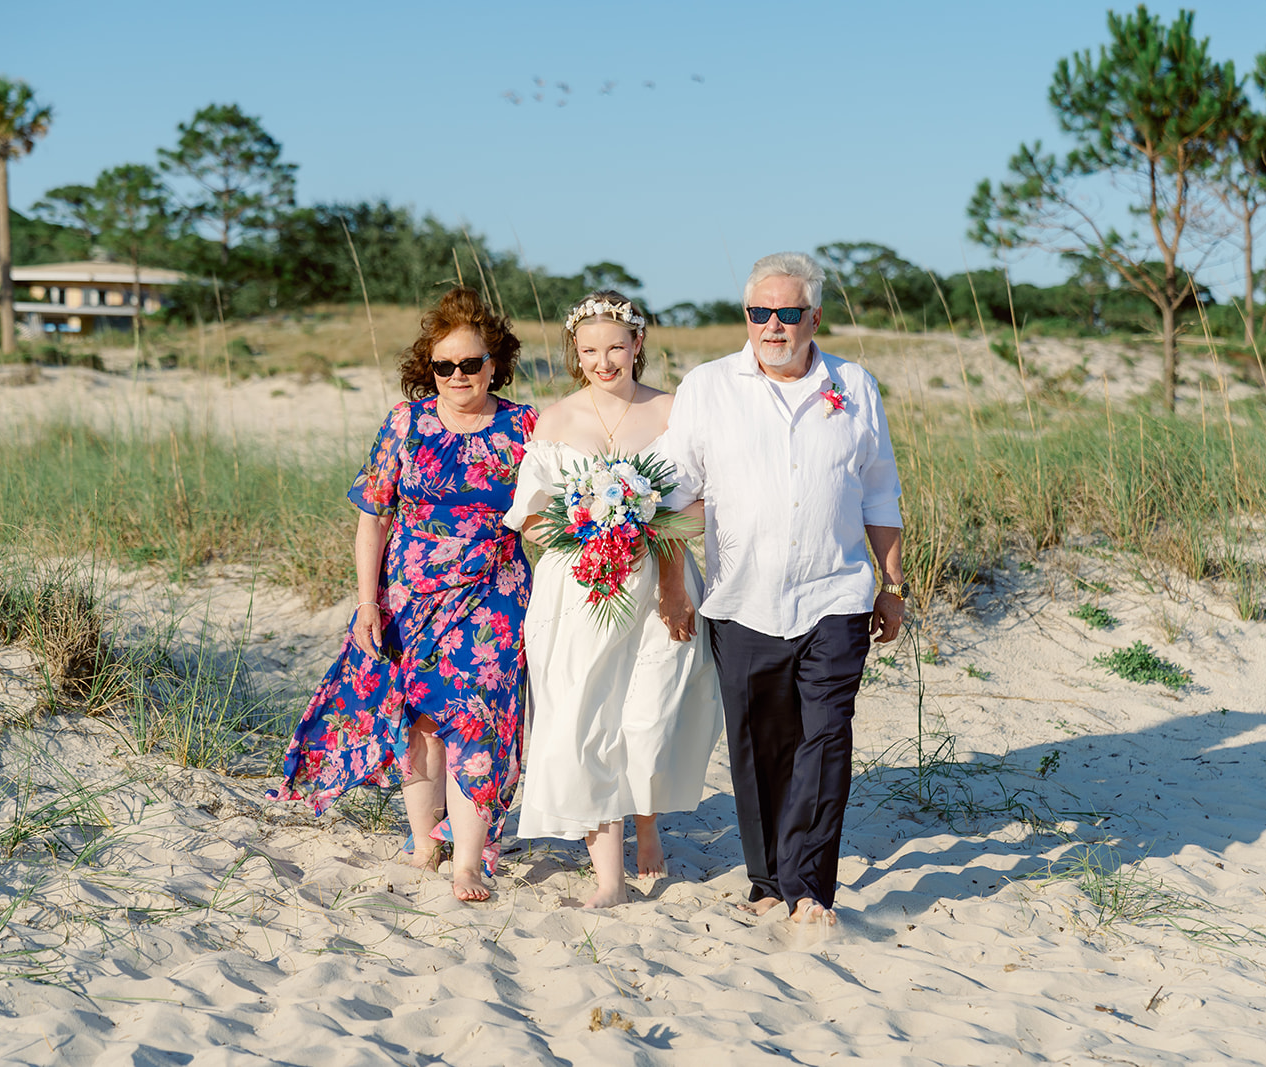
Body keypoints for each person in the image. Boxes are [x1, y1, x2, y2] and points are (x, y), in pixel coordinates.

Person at [658, 253, 906, 925]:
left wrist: (893, 584)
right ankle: (768, 879)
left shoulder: (855, 385)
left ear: (813, 317)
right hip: (742, 599)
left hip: (838, 596)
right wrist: (672, 583)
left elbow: (880, 489)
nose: (772, 325)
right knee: (760, 744)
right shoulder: (708, 386)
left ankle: (810, 892)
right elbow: (677, 490)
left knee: (826, 738)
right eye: (759, 312)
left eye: (787, 312)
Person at [274, 287, 538, 902]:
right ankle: (424, 840)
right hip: (410, 597)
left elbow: (548, 513)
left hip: (492, 595)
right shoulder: (406, 422)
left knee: (481, 720)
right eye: (444, 366)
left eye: (470, 364)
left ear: (494, 363)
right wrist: (368, 601)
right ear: (430, 368)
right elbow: (374, 515)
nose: (457, 376)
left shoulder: (524, 425)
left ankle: (468, 861)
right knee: (420, 721)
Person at [505, 290, 723, 909]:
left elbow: (701, 504)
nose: (604, 362)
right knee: (586, 719)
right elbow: (530, 518)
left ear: (638, 347)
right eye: (590, 350)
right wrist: (587, 525)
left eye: (616, 348)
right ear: (576, 352)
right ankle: (608, 878)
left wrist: (651, 538)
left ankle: (648, 826)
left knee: (650, 714)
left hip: (659, 581)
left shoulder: (674, 411)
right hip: (579, 590)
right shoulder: (554, 420)